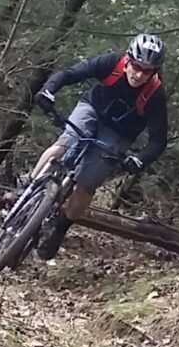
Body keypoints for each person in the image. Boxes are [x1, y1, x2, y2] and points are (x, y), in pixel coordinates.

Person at [25, 32, 169, 259]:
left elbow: (159, 139)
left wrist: (140, 159)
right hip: (92, 108)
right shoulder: (111, 62)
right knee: (65, 143)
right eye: (136, 66)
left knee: (88, 183)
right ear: (128, 59)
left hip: (119, 133)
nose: (139, 74)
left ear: (155, 71)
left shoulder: (155, 95)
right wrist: (48, 90)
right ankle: (26, 190)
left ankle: (61, 228)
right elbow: (69, 73)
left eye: (147, 71)